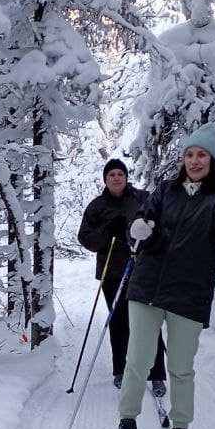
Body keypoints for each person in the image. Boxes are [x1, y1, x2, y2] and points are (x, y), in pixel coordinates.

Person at [115, 125, 215, 429]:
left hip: (188, 293)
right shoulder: (165, 190)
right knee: (138, 361)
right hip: (147, 287)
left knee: (180, 368)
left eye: (201, 154)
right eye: (190, 154)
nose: (194, 160)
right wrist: (141, 225)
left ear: (212, 160)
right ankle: (127, 422)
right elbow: (146, 213)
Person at [77, 158, 167, 392]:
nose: (116, 178)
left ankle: (156, 374)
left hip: (143, 271)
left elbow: (161, 227)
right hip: (112, 272)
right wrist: (107, 232)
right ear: (105, 180)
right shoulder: (97, 206)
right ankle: (120, 370)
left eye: (120, 173)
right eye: (111, 175)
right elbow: (85, 238)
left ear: (126, 177)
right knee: (118, 322)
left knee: (147, 322)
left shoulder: (142, 199)